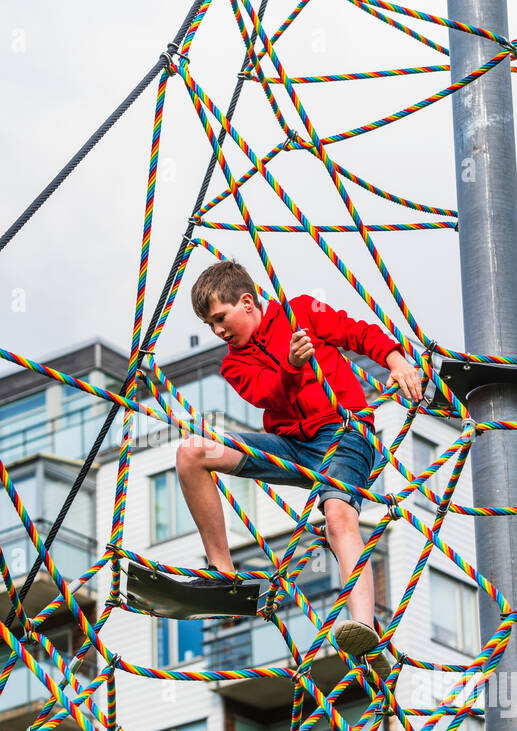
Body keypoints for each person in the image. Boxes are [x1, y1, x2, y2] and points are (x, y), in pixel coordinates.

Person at [176, 260, 424, 666]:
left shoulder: (302, 313)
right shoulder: (232, 363)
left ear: (248, 302)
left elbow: (357, 332)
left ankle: (364, 628)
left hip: (343, 432)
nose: (218, 331)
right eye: (210, 325)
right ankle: (221, 569)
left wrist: (396, 361)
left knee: (338, 515)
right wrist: (291, 365)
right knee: (190, 452)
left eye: (220, 318)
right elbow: (267, 396)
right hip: (291, 445)